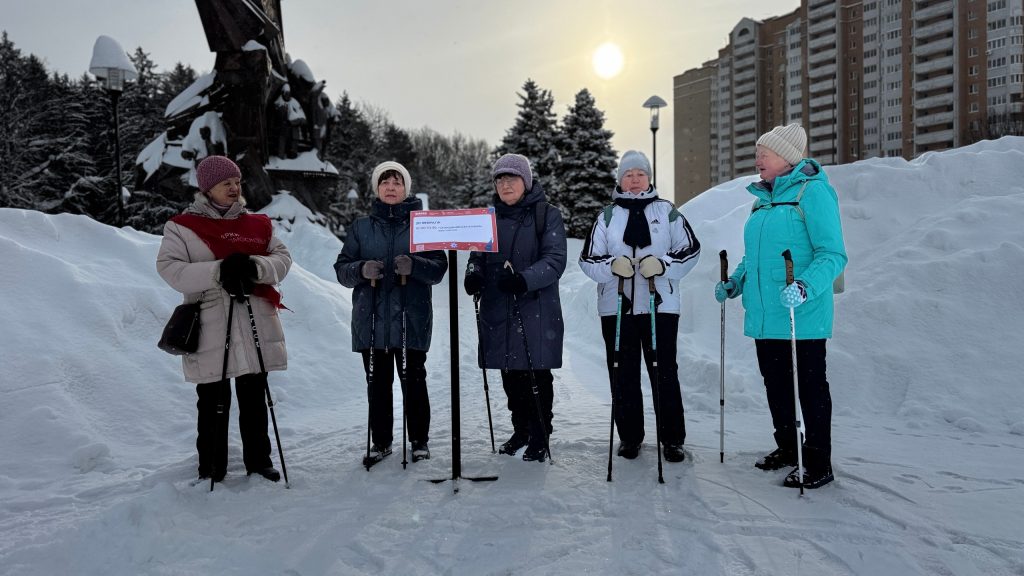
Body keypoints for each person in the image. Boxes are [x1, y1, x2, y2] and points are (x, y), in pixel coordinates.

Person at [714, 123, 847, 489]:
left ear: (787, 158)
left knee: (810, 387)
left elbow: (833, 254)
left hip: (800, 312)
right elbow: (753, 258)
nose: (757, 160)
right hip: (765, 313)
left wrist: (805, 286)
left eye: (764, 154)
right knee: (777, 385)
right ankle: (790, 447)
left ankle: (817, 462)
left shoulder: (813, 193)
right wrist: (735, 282)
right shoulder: (762, 200)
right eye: (757, 154)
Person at [156, 155, 291, 483]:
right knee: (212, 399)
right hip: (210, 321)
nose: (234, 188)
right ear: (207, 188)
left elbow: (282, 258)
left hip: (254, 316)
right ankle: (211, 467)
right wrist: (218, 271)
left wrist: (255, 267)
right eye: (225, 183)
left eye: (237, 182)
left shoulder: (256, 224)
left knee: (254, 396)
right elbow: (171, 269)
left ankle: (259, 462)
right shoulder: (182, 227)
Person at [579, 150, 701, 463]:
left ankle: (672, 439)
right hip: (616, 306)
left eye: (640, 174)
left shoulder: (667, 211)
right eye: (628, 175)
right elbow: (588, 259)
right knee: (623, 374)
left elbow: (690, 250)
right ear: (620, 180)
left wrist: (663, 264)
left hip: (660, 305)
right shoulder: (607, 216)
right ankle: (630, 437)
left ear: (649, 178)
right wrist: (611, 266)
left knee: (664, 373)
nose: (634, 180)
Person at [334, 161, 448, 466]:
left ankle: (419, 440)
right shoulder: (361, 227)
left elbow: (439, 268)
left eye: (397, 182)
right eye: (385, 182)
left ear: (406, 188)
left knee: (414, 382)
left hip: (412, 317)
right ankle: (381, 441)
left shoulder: (423, 225)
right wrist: (361, 269)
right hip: (371, 319)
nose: (391, 187)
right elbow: (342, 270)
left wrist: (416, 265)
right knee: (378, 384)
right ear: (377, 188)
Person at [463, 153, 567, 463]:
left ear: (526, 181)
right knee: (509, 373)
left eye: (512, 178)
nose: (505, 184)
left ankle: (540, 434)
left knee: (536, 374)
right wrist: (474, 273)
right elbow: (477, 255)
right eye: (500, 179)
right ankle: (520, 430)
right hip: (498, 306)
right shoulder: (487, 219)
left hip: (535, 306)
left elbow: (555, 260)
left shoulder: (546, 215)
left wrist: (524, 279)